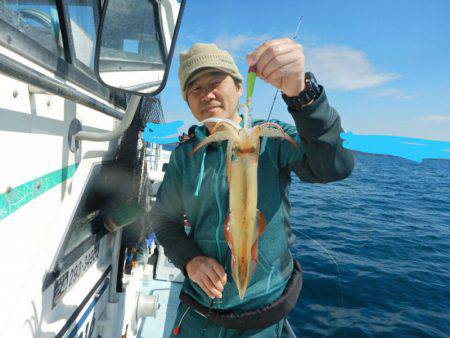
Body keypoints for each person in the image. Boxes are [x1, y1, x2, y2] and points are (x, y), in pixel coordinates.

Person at [149, 38, 354, 337]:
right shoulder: (185, 155)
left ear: (239, 86)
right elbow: (164, 221)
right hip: (198, 312)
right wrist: (190, 259)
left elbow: (335, 166)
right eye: (195, 88)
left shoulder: (274, 139)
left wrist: (302, 95)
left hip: (262, 317)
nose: (206, 93)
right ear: (187, 100)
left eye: (215, 81)